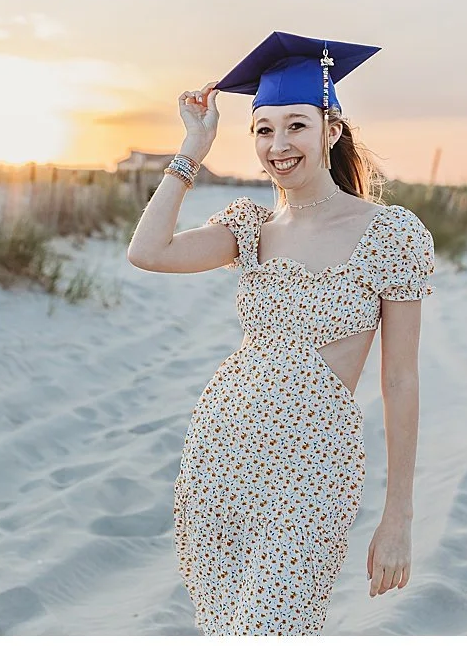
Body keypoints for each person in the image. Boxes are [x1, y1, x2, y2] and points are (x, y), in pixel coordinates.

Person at [126, 32, 435, 635]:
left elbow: (400, 380)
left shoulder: (391, 234)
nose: (278, 145)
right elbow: (148, 251)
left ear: (332, 131)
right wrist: (193, 148)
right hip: (221, 457)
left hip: (312, 468)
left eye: (296, 126)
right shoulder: (251, 228)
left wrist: (398, 514)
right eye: (263, 130)